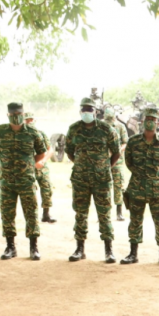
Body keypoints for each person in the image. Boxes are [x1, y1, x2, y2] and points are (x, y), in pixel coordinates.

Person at [64, 97, 121, 263]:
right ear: (80, 111)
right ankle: (79, 249)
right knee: (80, 214)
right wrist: (82, 165)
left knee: (104, 215)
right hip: (80, 179)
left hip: (101, 180)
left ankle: (108, 250)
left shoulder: (106, 129)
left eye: (90, 109)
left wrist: (104, 167)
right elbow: (69, 151)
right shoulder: (74, 129)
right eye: (84, 109)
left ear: (96, 111)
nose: (87, 112)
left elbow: (116, 152)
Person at [0, 102, 47, 261]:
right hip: (7, 181)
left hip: (26, 180)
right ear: (8, 115)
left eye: (19, 114)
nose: (16, 117)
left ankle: (33, 247)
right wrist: (4, 163)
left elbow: (41, 153)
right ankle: (10, 247)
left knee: (31, 212)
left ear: (23, 114)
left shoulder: (33, 132)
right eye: (13, 115)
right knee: (7, 214)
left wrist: (27, 165)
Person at [121, 107, 159, 266]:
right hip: (137, 188)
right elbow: (129, 162)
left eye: (153, 120)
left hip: (157, 190)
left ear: (158, 123)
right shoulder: (133, 142)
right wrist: (141, 177)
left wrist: (157, 178)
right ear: (142, 122)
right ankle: (133, 253)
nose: (150, 123)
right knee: (135, 221)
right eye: (147, 120)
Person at [25, 111, 56, 224]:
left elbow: (50, 150)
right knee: (29, 192)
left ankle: (46, 214)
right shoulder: (20, 135)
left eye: (31, 119)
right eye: (27, 120)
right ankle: (31, 217)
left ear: (35, 120)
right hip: (27, 167)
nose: (29, 122)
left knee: (47, 189)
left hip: (42, 166)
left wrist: (43, 161)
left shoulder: (41, 134)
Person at [105, 105, 129, 222]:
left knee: (118, 186)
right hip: (103, 161)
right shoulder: (101, 126)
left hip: (118, 161)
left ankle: (119, 212)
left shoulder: (120, 126)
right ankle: (105, 212)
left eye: (111, 120)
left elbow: (125, 142)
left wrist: (118, 150)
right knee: (104, 187)